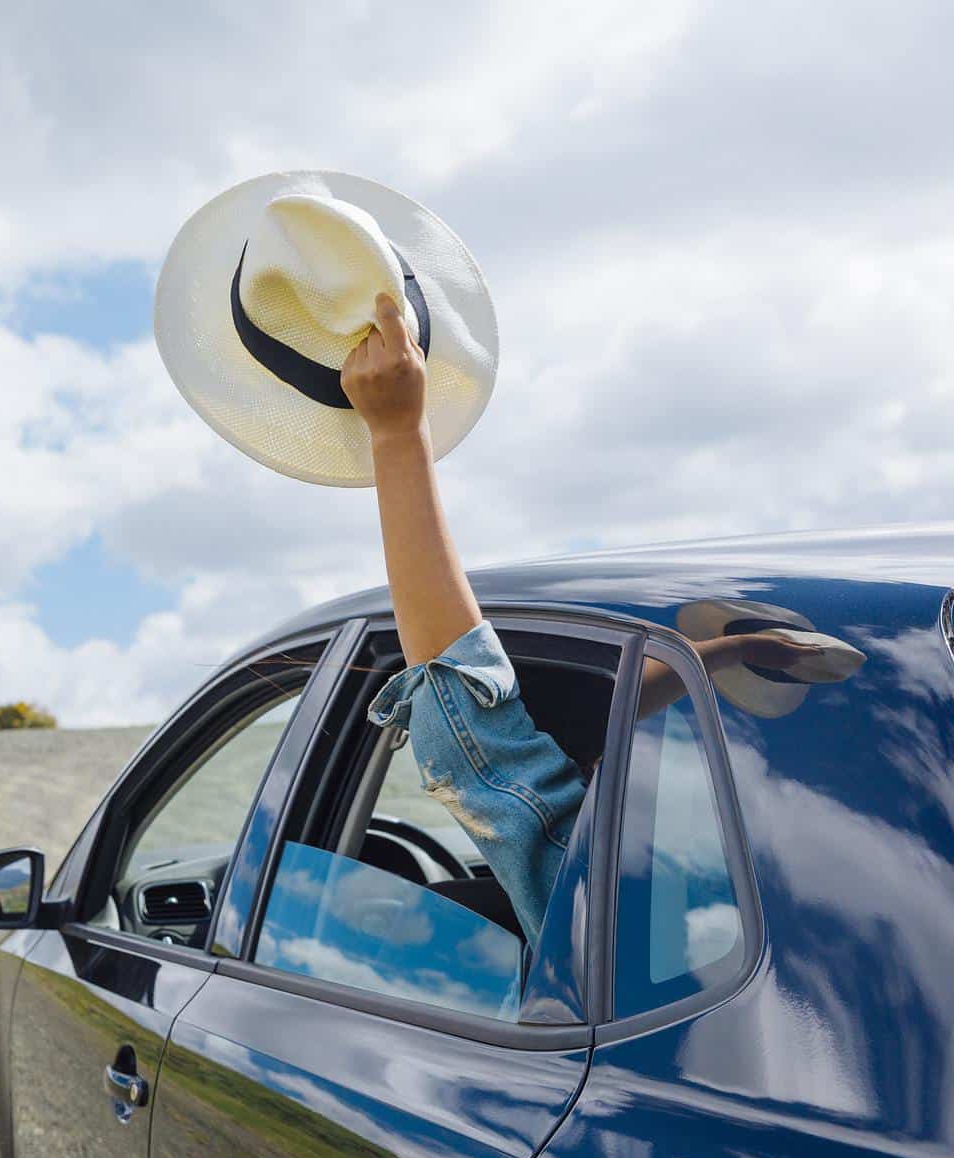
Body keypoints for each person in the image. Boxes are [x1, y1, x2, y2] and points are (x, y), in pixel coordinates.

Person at [340, 295, 824, 942]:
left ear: (584, 771)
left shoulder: (608, 913)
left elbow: (472, 733)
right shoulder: (798, 894)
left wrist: (398, 435)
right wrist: (724, 652)